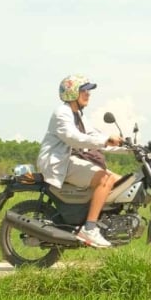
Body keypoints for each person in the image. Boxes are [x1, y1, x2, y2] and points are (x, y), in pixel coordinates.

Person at [38, 74, 124, 249]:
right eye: (84, 90)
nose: (88, 94)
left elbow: (95, 138)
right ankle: (90, 228)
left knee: (120, 182)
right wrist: (106, 140)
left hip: (70, 160)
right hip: (58, 162)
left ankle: (102, 221)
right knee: (104, 179)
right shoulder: (62, 112)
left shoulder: (79, 116)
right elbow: (73, 138)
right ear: (72, 92)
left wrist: (129, 148)